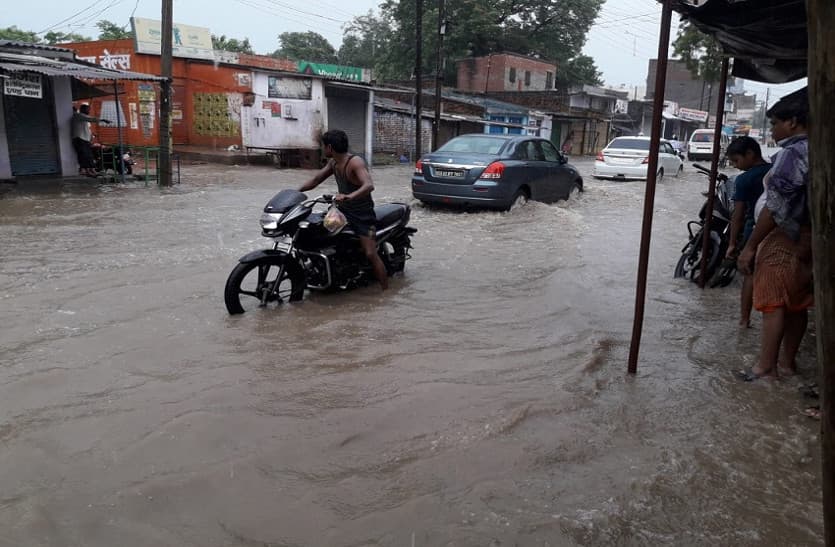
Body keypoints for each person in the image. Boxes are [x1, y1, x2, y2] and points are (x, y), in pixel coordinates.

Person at [736, 88, 811, 381]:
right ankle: (786, 364)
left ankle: (765, 367)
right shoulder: (816, 148)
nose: (773, 129)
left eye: (775, 123)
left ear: (793, 122)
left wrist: (751, 245)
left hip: (784, 237)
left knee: (773, 300)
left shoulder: (793, 153)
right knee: (797, 302)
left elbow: (777, 205)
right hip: (806, 238)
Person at [298, 129, 388, 290]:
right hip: (342, 211)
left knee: (370, 253)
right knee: (317, 233)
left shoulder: (355, 162)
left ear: (330, 148)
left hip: (362, 215)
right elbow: (316, 179)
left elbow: (369, 185)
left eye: (323, 146)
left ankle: (385, 291)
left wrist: (350, 196)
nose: (322, 149)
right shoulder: (333, 163)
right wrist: (295, 192)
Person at [724, 136, 770, 328]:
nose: (735, 166)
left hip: (754, 231)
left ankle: (744, 319)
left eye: (736, 160)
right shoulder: (774, 171)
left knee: (749, 275)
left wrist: (733, 243)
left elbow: (738, 215)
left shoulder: (744, 180)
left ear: (750, 154)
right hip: (778, 233)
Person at [72, 103, 109, 176]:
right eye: (88, 109)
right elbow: (91, 119)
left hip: (85, 139)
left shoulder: (82, 118)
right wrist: (102, 120)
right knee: (84, 155)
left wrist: (91, 136)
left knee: (89, 155)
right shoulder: (78, 115)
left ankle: (92, 170)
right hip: (80, 139)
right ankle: (84, 170)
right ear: (82, 109)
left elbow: (87, 128)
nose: (89, 111)